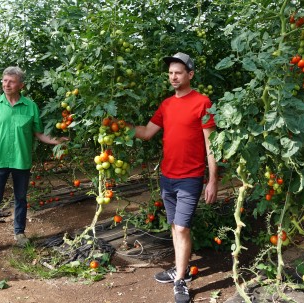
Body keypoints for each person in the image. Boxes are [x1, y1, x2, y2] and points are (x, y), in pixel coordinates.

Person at [132, 52, 218, 303]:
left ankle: (181, 280)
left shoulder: (202, 102)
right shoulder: (167, 104)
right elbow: (147, 132)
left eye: (178, 72)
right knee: (175, 226)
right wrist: (118, 126)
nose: (173, 77)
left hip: (190, 177)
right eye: (170, 73)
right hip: (167, 176)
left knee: (181, 227)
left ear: (190, 75)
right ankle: (180, 270)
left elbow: (212, 144)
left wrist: (213, 180)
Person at [0, 66, 66, 257]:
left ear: (20, 85)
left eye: (11, 81)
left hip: (21, 161)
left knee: (21, 199)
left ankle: (20, 233)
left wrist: (58, 141)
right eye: (4, 80)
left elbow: (39, 134)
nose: (6, 84)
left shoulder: (30, 106)